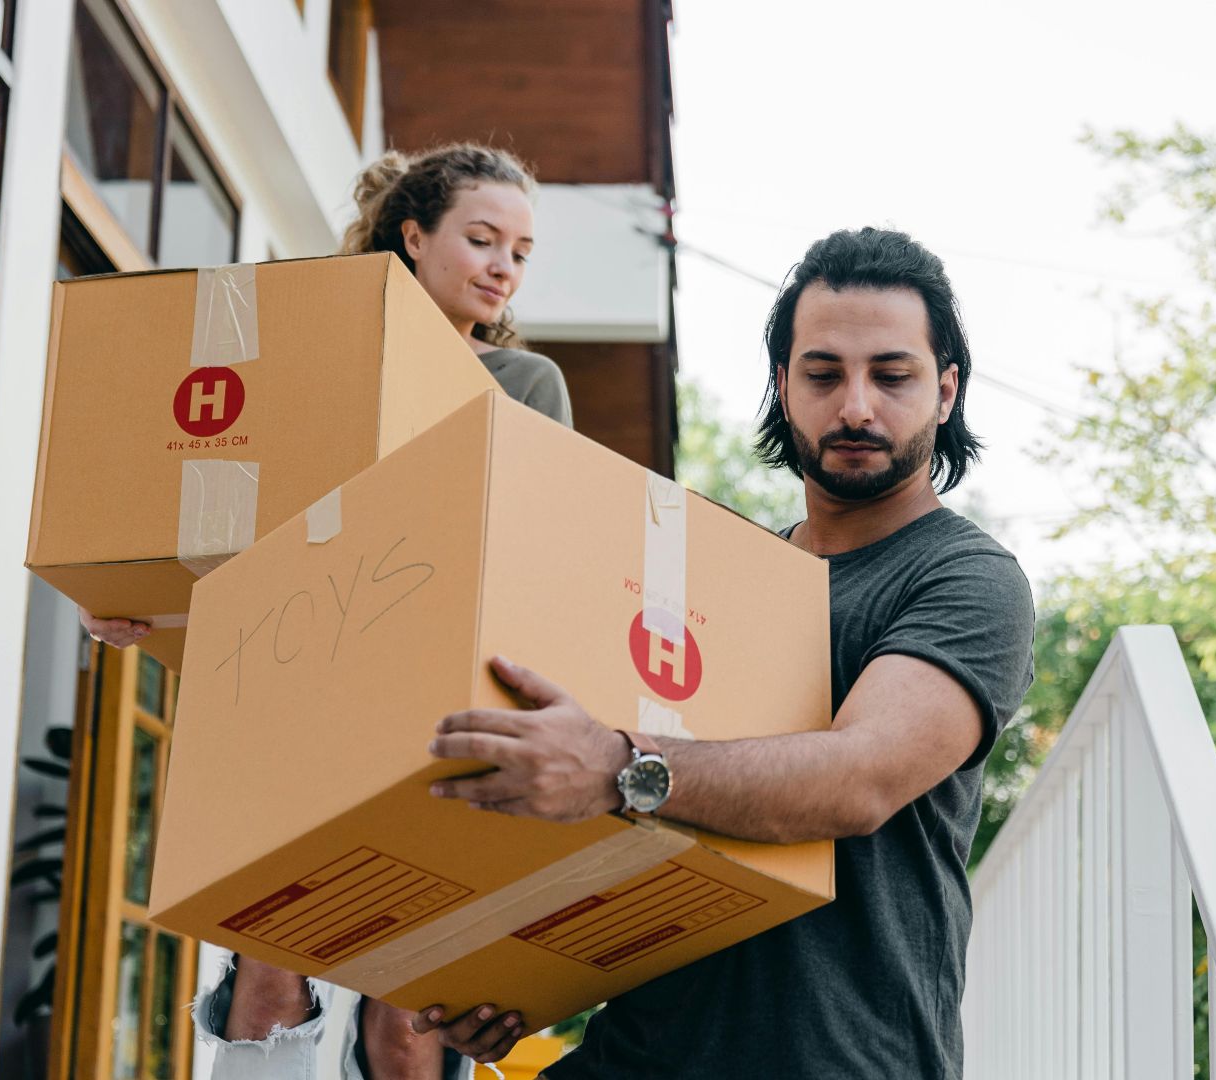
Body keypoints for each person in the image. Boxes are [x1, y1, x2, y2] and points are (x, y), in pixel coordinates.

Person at [414, 227, 1037, 1078]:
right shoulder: (713, 582)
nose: (856, 406)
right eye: (823, 374)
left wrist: (613, 764)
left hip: (836, 1059)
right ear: (784, 386)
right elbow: (620, 820)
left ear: (945, 390)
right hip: (639, 1049)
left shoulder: (967, 579)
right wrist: (518, 969)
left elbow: (857, 780)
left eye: (892, 375)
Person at [79, 143, 573, 1080]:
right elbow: (223, 528)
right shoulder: (309, 373)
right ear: (413, 235)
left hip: (440, 716)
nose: (504, 264)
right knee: (269, 984)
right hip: (293, 701)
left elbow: (540, 561)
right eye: (481, 238)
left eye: (521, 249)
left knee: (405, 1021)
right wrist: (134, 598)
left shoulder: (525, 386)